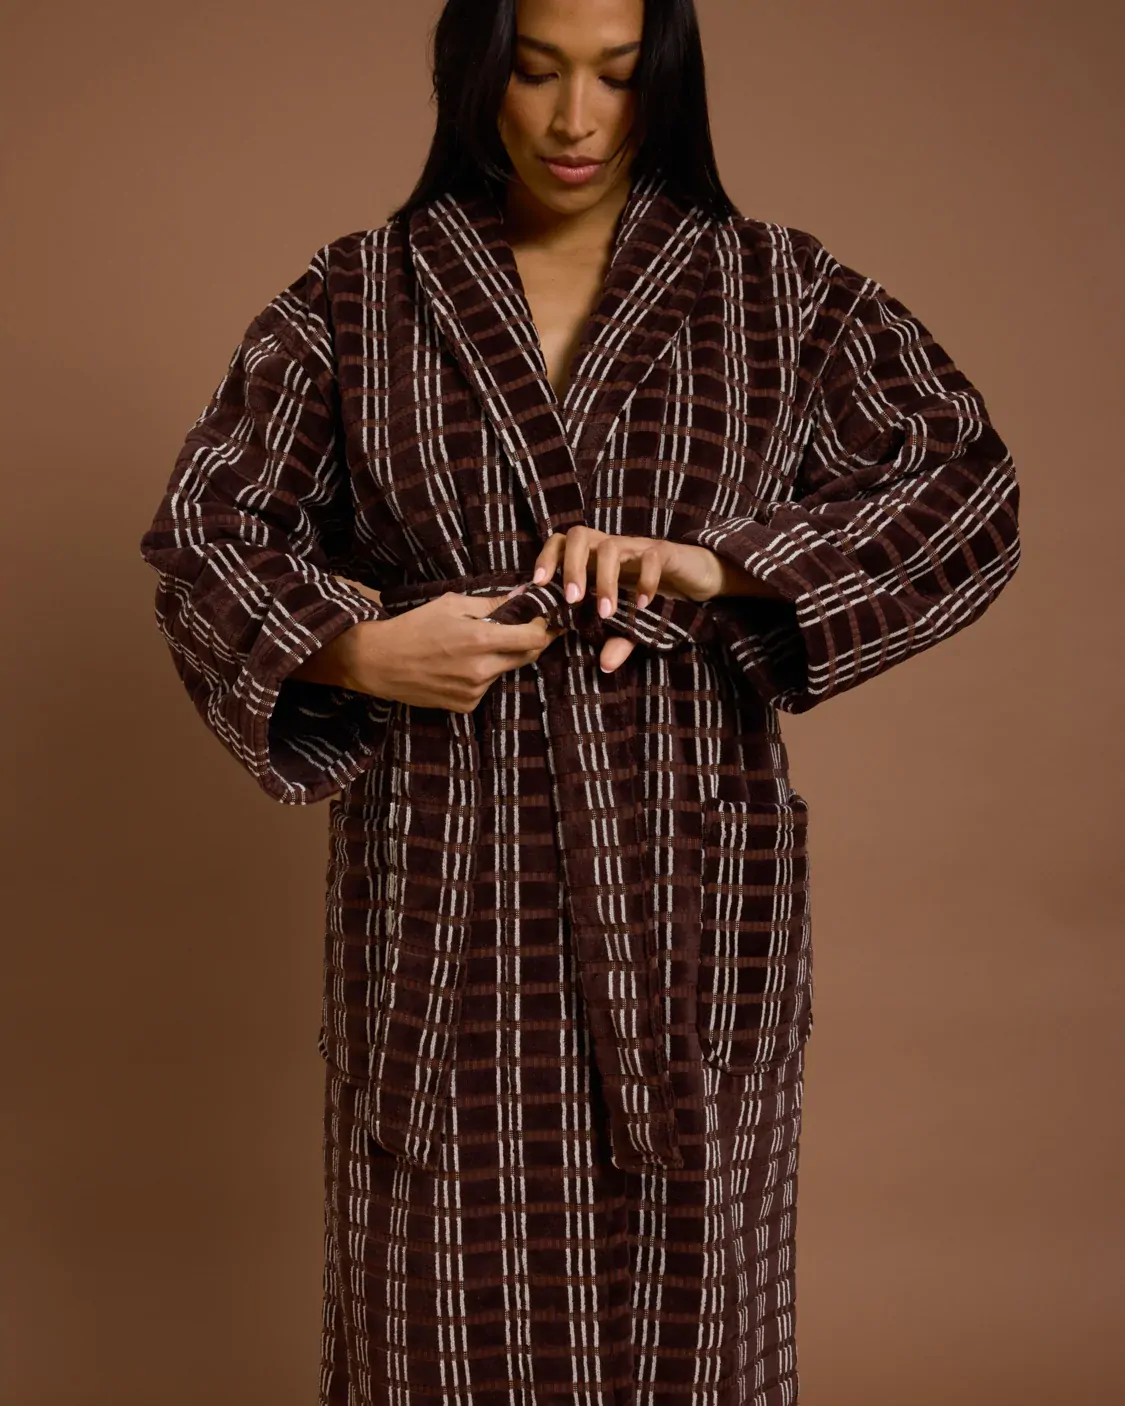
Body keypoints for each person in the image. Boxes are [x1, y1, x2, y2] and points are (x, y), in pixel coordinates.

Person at [138, 0, 1021, 1399]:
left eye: (615, 76)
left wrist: (722, 564)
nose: (572, 119)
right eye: (536, 71)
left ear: (663, 82)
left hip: (687, 882)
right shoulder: (361, 296)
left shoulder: (775, 290)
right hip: (445, 879)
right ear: (474, 75)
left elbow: (966, 486)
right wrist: (358, 652)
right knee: (436, 1310)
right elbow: (205, 530)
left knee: (692, 1316)